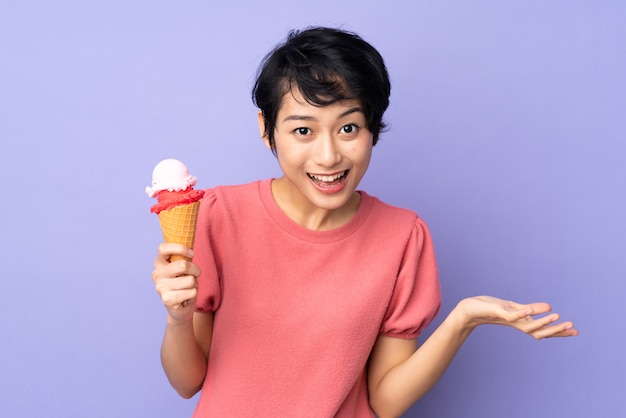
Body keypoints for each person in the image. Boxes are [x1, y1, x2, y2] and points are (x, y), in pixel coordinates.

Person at [151, 27, 578, 418]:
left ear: (372, 129)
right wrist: (177, 318)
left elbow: (386, 402)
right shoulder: (219, 215)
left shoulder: (403, 236)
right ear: (267, 129)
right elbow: (188, 382)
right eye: (303, 131)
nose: (328, 156)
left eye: (348, 127)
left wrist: (462, 319)